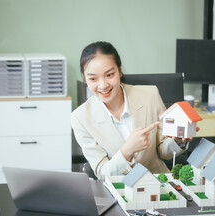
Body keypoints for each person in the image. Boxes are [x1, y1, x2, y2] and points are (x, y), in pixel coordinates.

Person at [71, 41, 195, 179]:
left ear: (119, 70)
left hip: (159, 183)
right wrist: (127, 150)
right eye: (93, 78)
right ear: (85, 79)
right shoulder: (80, 118)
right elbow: (102, 172)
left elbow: (163, 149)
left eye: (109, 75)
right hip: (118, 189)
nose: (103, 85)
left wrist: (178, 141)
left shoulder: (150, 95)